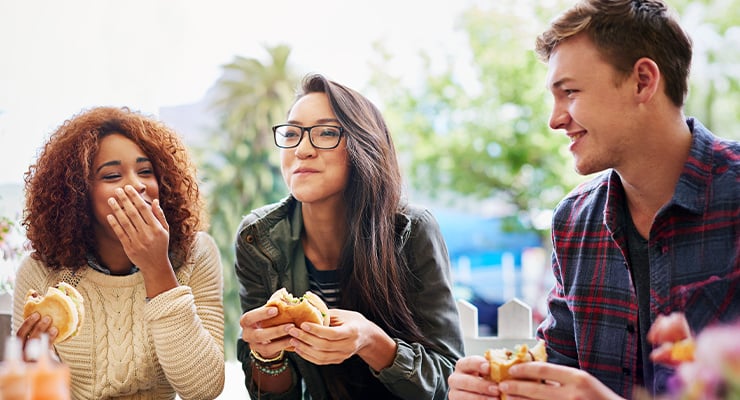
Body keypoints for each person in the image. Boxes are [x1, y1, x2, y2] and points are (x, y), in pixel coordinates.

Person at [448, 0, 739, 399]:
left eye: (569, 92)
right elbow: (558, 371)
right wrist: (504, 389)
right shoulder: (572, 220)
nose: (554, 119)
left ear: (642, 81)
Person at [235, 73, 464, 400]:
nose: (302, 149)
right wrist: (266, 354)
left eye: (326, 133)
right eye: (292, 133)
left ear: (363, 146)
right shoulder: (258, 238)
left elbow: (448, 380)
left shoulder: (412, 230)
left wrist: (372, 341)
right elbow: (273, 397)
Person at [13, 106, 225, 399]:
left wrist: (157, 269)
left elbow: (203, 389)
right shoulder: (40, 273)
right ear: (77, 194)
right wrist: (38, 366)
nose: (137, 185)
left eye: (146, 171)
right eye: (112, 175)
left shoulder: (195, 253)